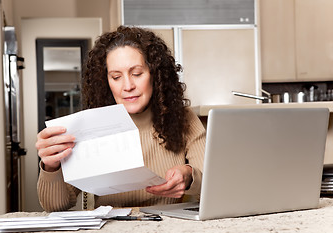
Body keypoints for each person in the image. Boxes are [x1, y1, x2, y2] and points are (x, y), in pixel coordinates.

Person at [36, 26, 206, 212]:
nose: (127, 86)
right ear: (106, 82)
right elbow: (54, 206)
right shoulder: (88, 126)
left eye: (137, 74)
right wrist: (50, 167)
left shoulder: (185, 119)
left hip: (169, 227)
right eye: (116, 77)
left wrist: (189, 175)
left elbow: (213, 184)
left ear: (155, 76)